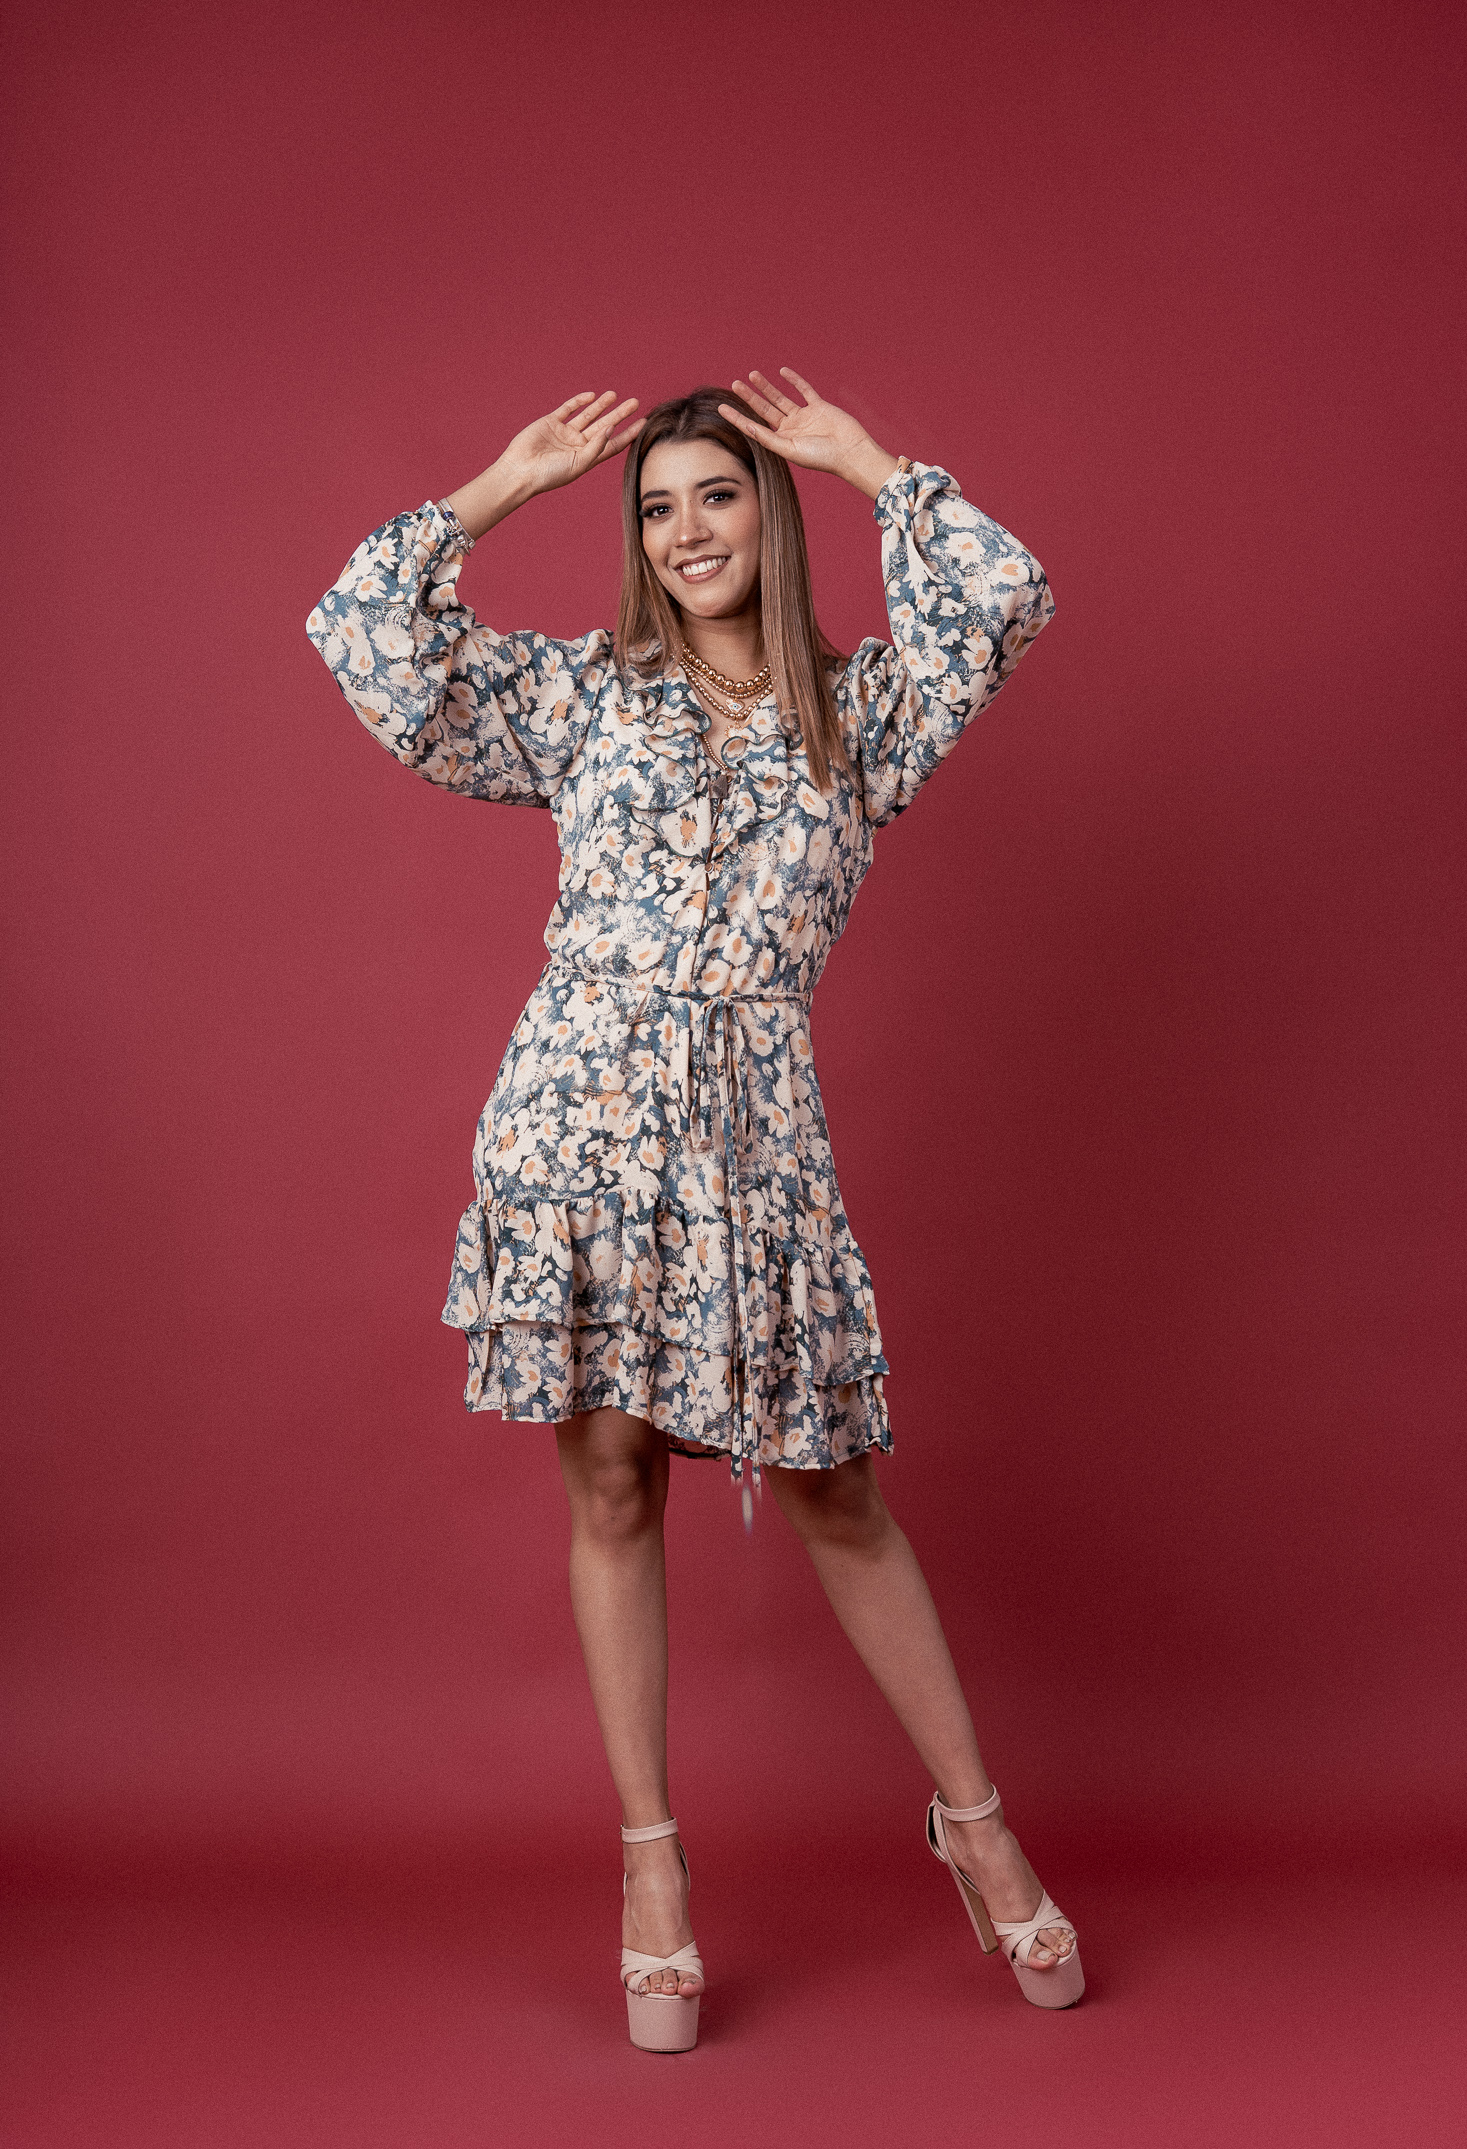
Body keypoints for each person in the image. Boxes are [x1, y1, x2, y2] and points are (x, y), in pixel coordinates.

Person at [306, 370, 1082, 2049]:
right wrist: (498, 489)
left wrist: (868, 461)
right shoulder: (584, 695)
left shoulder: (861, 717)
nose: (684, 531)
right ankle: (652, 1868)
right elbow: (365, 638)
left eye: (715, 495)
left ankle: (975, 1827)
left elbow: (1004, 597)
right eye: (654, 508)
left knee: (833, 1488)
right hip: (576, 1118)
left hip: (755, 1139)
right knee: (612, 1479)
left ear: (769, 515)